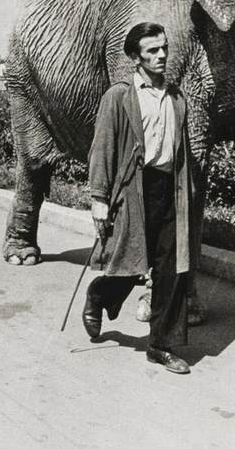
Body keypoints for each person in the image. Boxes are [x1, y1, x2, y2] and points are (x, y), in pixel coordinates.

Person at [83, 21, 199, 375]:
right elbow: (102, 148)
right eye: (152, 51)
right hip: (134, 190)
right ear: (135, 57)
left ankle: (161, 346)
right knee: (131, 262)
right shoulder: (119, 96)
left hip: (170, 190)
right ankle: (100, 295)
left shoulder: (178, 98)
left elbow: (183, 152)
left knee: (170, 271)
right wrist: (98, 198)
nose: (161, 55)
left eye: (163, 48)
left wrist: (189, 192)